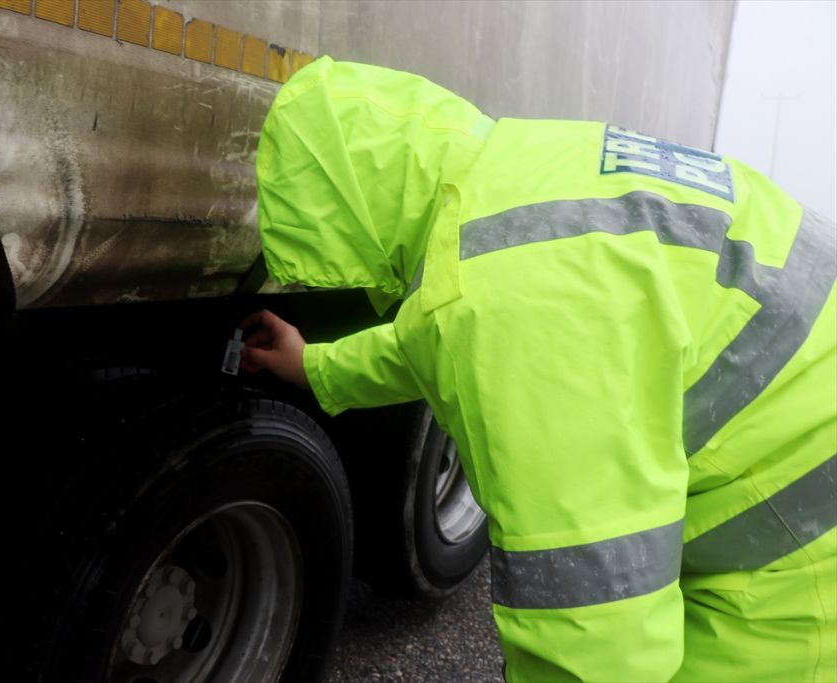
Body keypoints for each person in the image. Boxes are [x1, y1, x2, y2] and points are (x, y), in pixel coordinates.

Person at [241, 56, 836, 682]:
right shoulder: (510, 188)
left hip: (803, 565)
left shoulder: (508, 301)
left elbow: (594, 632)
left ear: (345, 208)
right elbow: (426, 339)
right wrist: (313, 364)